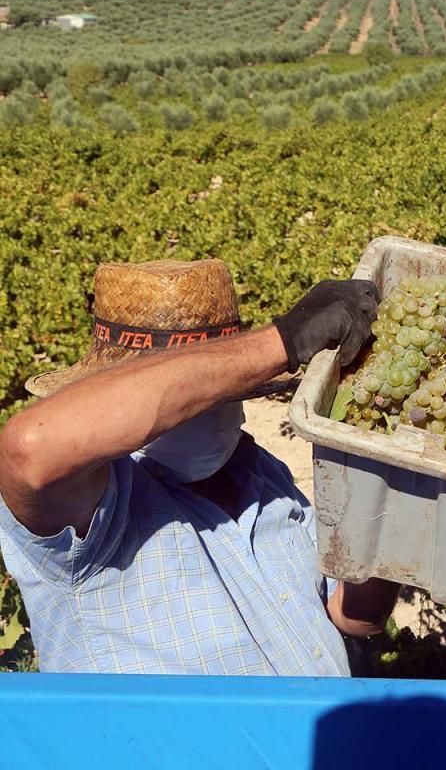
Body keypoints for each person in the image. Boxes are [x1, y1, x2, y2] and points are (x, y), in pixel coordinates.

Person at [0, 258, 401, 674]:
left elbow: (352, 616)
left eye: (218, 395)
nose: (205, 410)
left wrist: (388, 506)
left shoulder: (265, 475)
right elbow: (29, 449)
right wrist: (281, 342)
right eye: (192, 399)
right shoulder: (94, 511)